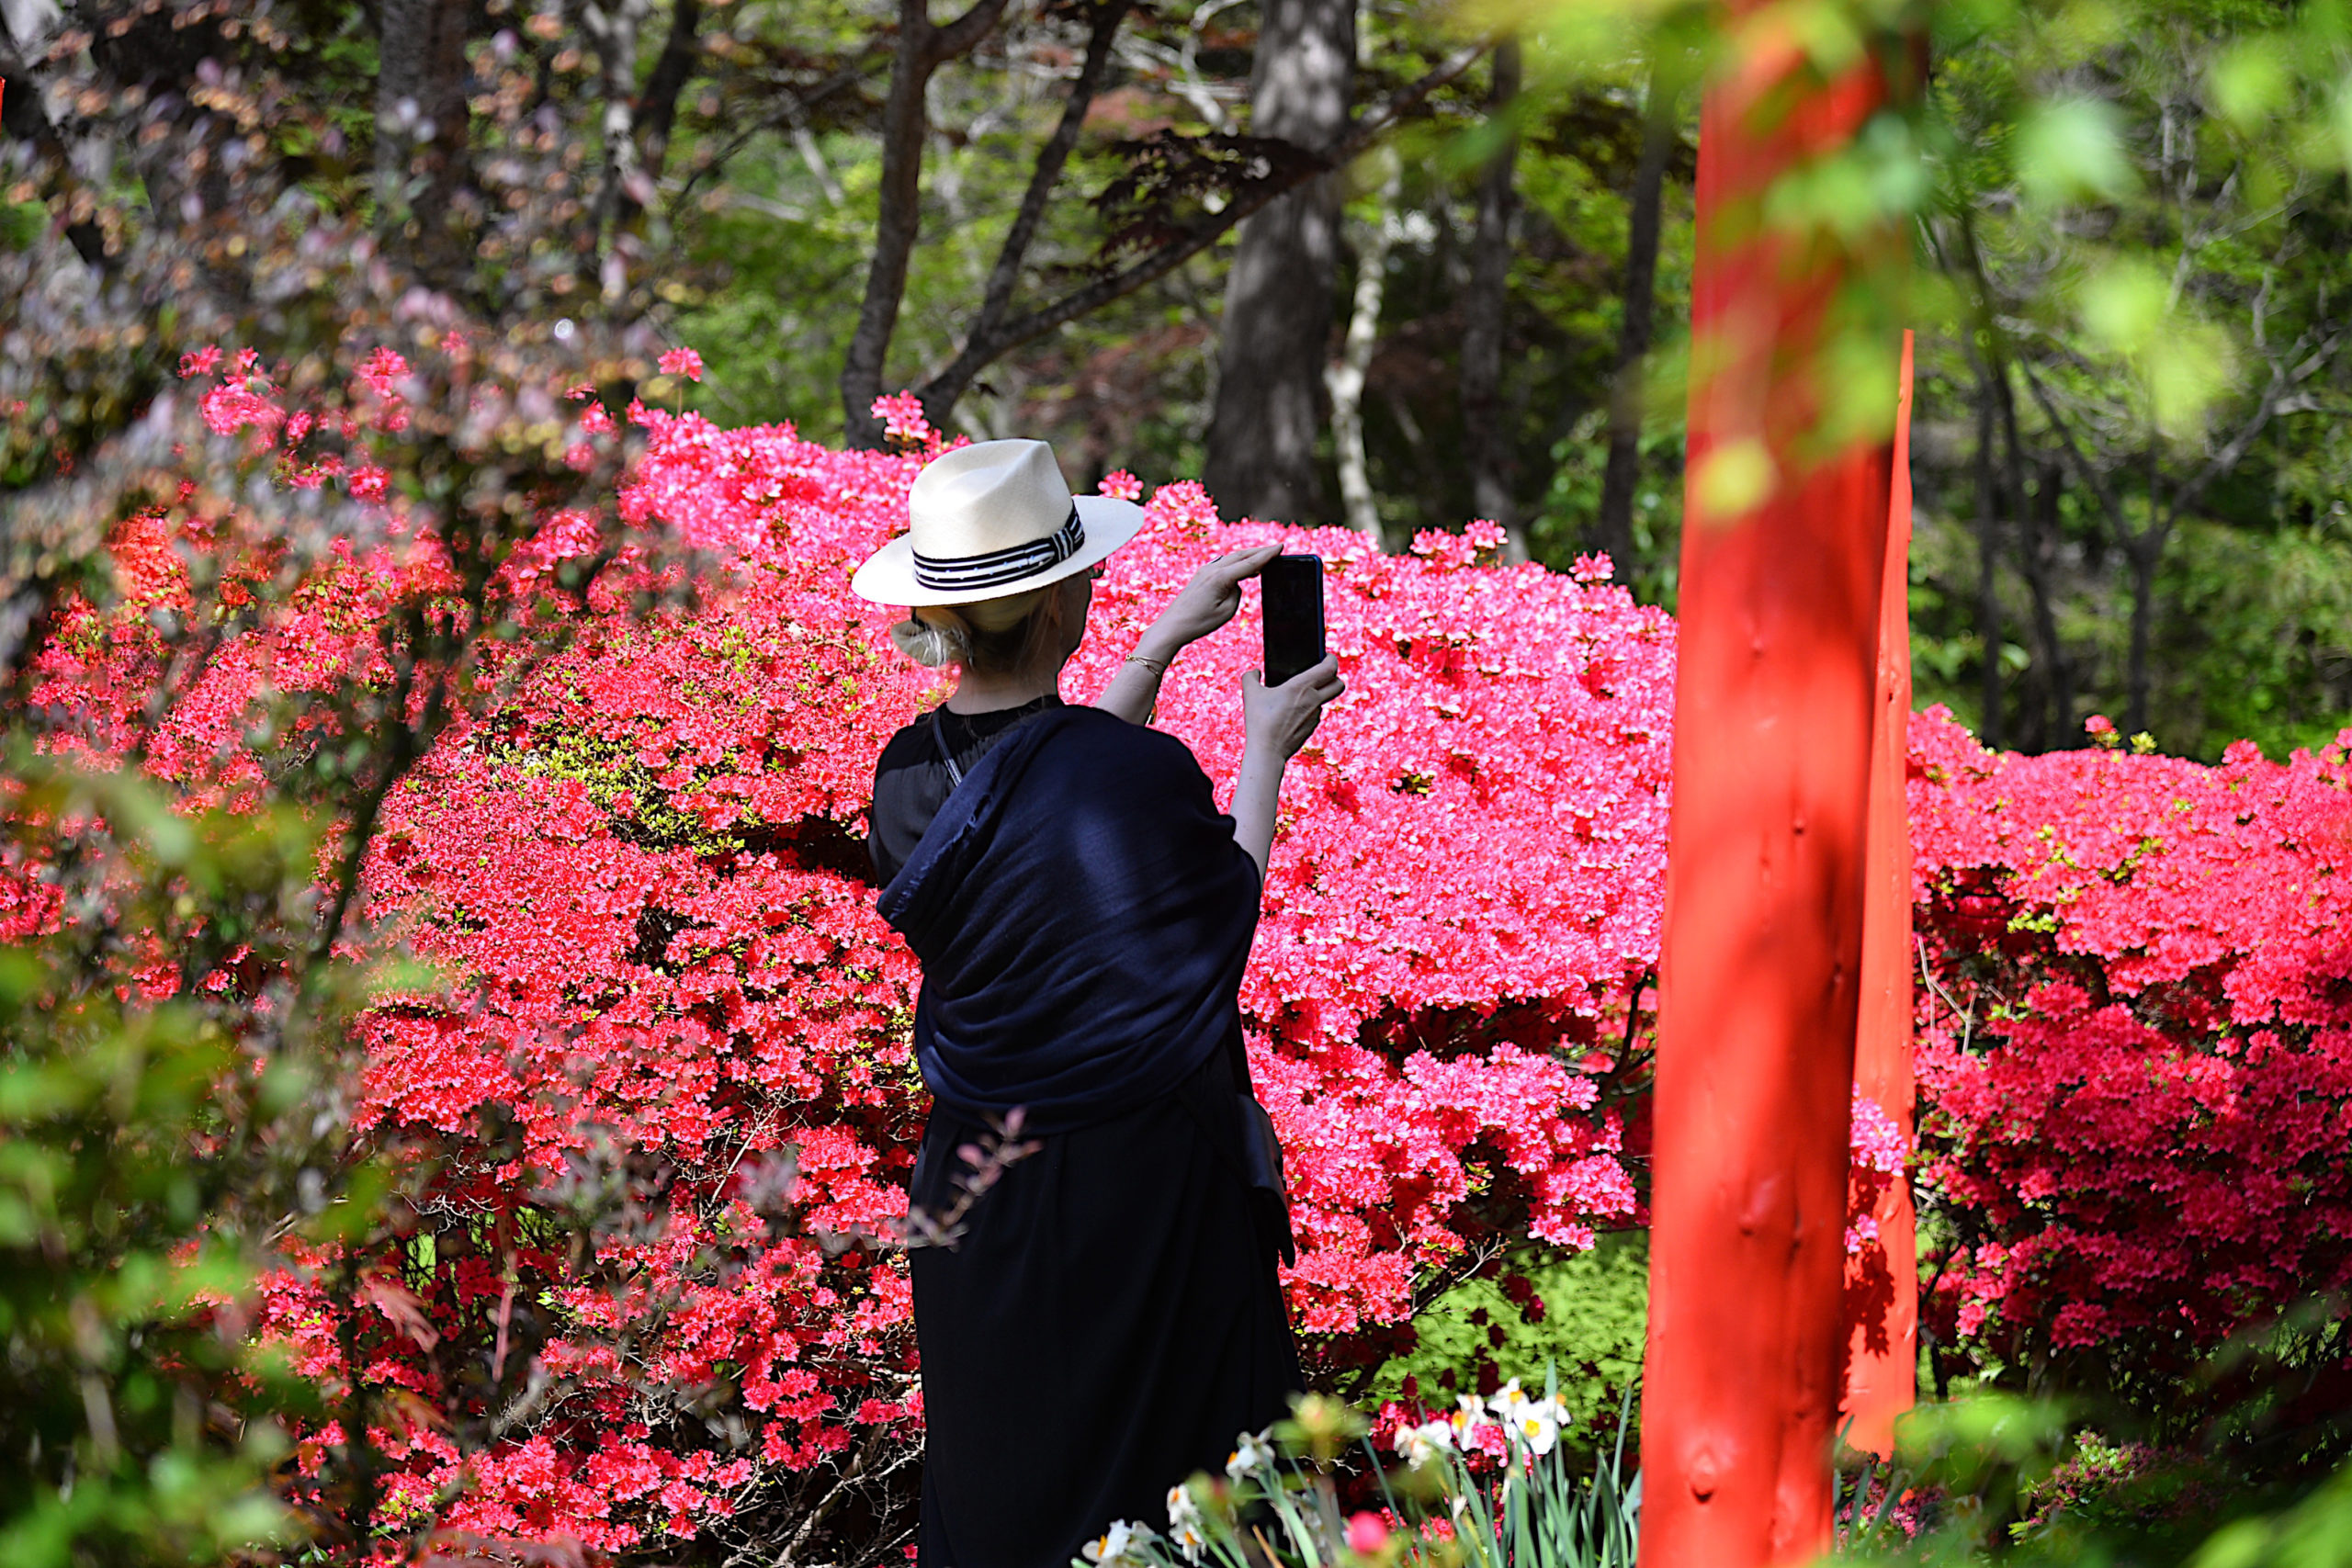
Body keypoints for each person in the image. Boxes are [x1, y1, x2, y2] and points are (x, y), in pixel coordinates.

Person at [851, 439, 1344, 1567]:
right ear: (1066, 603)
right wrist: (1265, 749)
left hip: (981, 1196)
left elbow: (1038, 781)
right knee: (1176, 1490)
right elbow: (1215, 922)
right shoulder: (1126, 775)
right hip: (1139, 1186)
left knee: (1014, 1487)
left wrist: (1166, 639)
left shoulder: (906, 776)